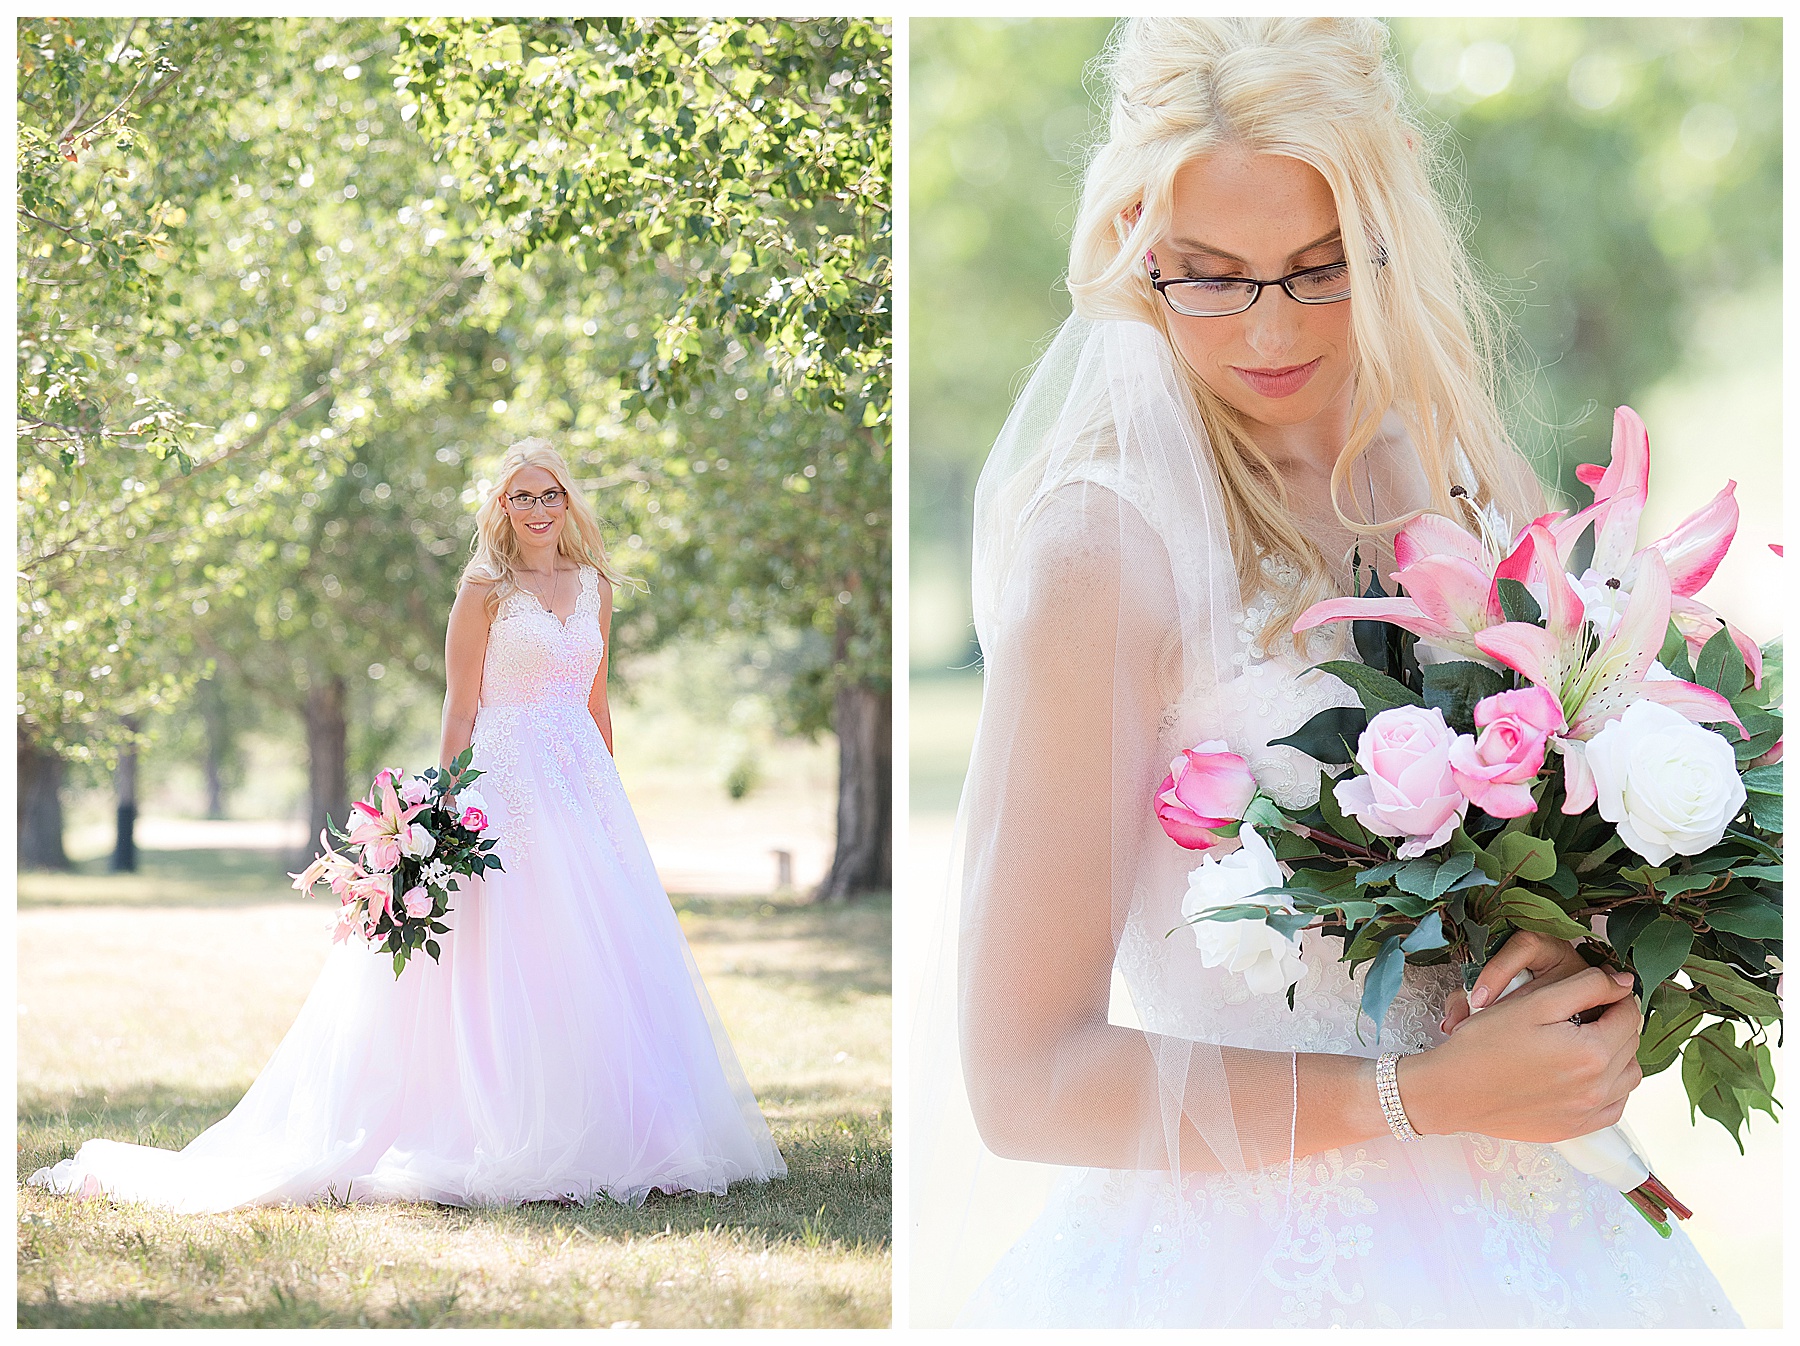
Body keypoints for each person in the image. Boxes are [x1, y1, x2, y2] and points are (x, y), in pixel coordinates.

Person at [920, 17, 1738, 1327]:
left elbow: (1572, 835)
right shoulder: (1106, 547)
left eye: (1319, 266)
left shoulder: (1460, 478)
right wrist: (1415, 1099)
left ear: (1391, 216)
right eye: (1210, 275)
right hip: (1256, 1266)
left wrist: (1589, 981)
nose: (1270, 329)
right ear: (1135, 241)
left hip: (1542, 1234)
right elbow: (1022, 1079)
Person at [29, 438, 787, 1211]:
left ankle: (620, 1133)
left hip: (581, 782)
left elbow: (596, 703)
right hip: (506, 781)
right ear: (502, 508)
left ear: (568, 502)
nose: (536, 509)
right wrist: (445, 810)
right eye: (520, 497)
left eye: (549, 494)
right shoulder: (484, 589)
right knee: (510, 948)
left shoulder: (594, 585)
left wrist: (612, 798)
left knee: (599, 949)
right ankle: (498, 1125)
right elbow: (460, 710)